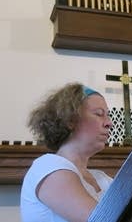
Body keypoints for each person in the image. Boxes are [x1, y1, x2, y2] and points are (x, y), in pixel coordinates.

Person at [20, 83, 114, 222]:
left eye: (108, 115)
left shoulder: (103, 179)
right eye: (99, 114)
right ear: (70, 120)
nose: (109, 123)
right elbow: (101, 220)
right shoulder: (48, 166)